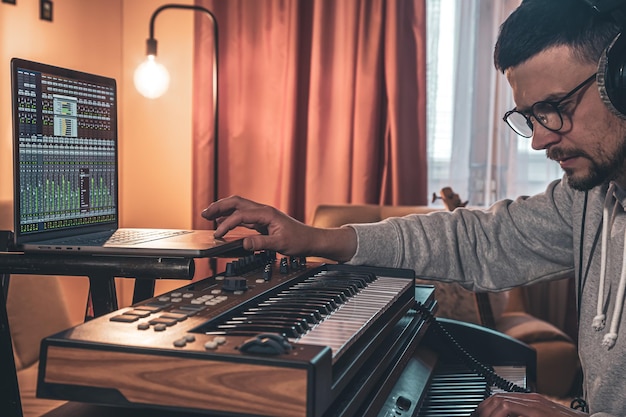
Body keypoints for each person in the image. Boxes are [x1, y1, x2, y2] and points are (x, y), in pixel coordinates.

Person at [202, 1, 626, 415]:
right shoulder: (586, 198)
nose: (539, 139)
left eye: (557, 108)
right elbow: (474, 241)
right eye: (532, 116)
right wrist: (315, 238)